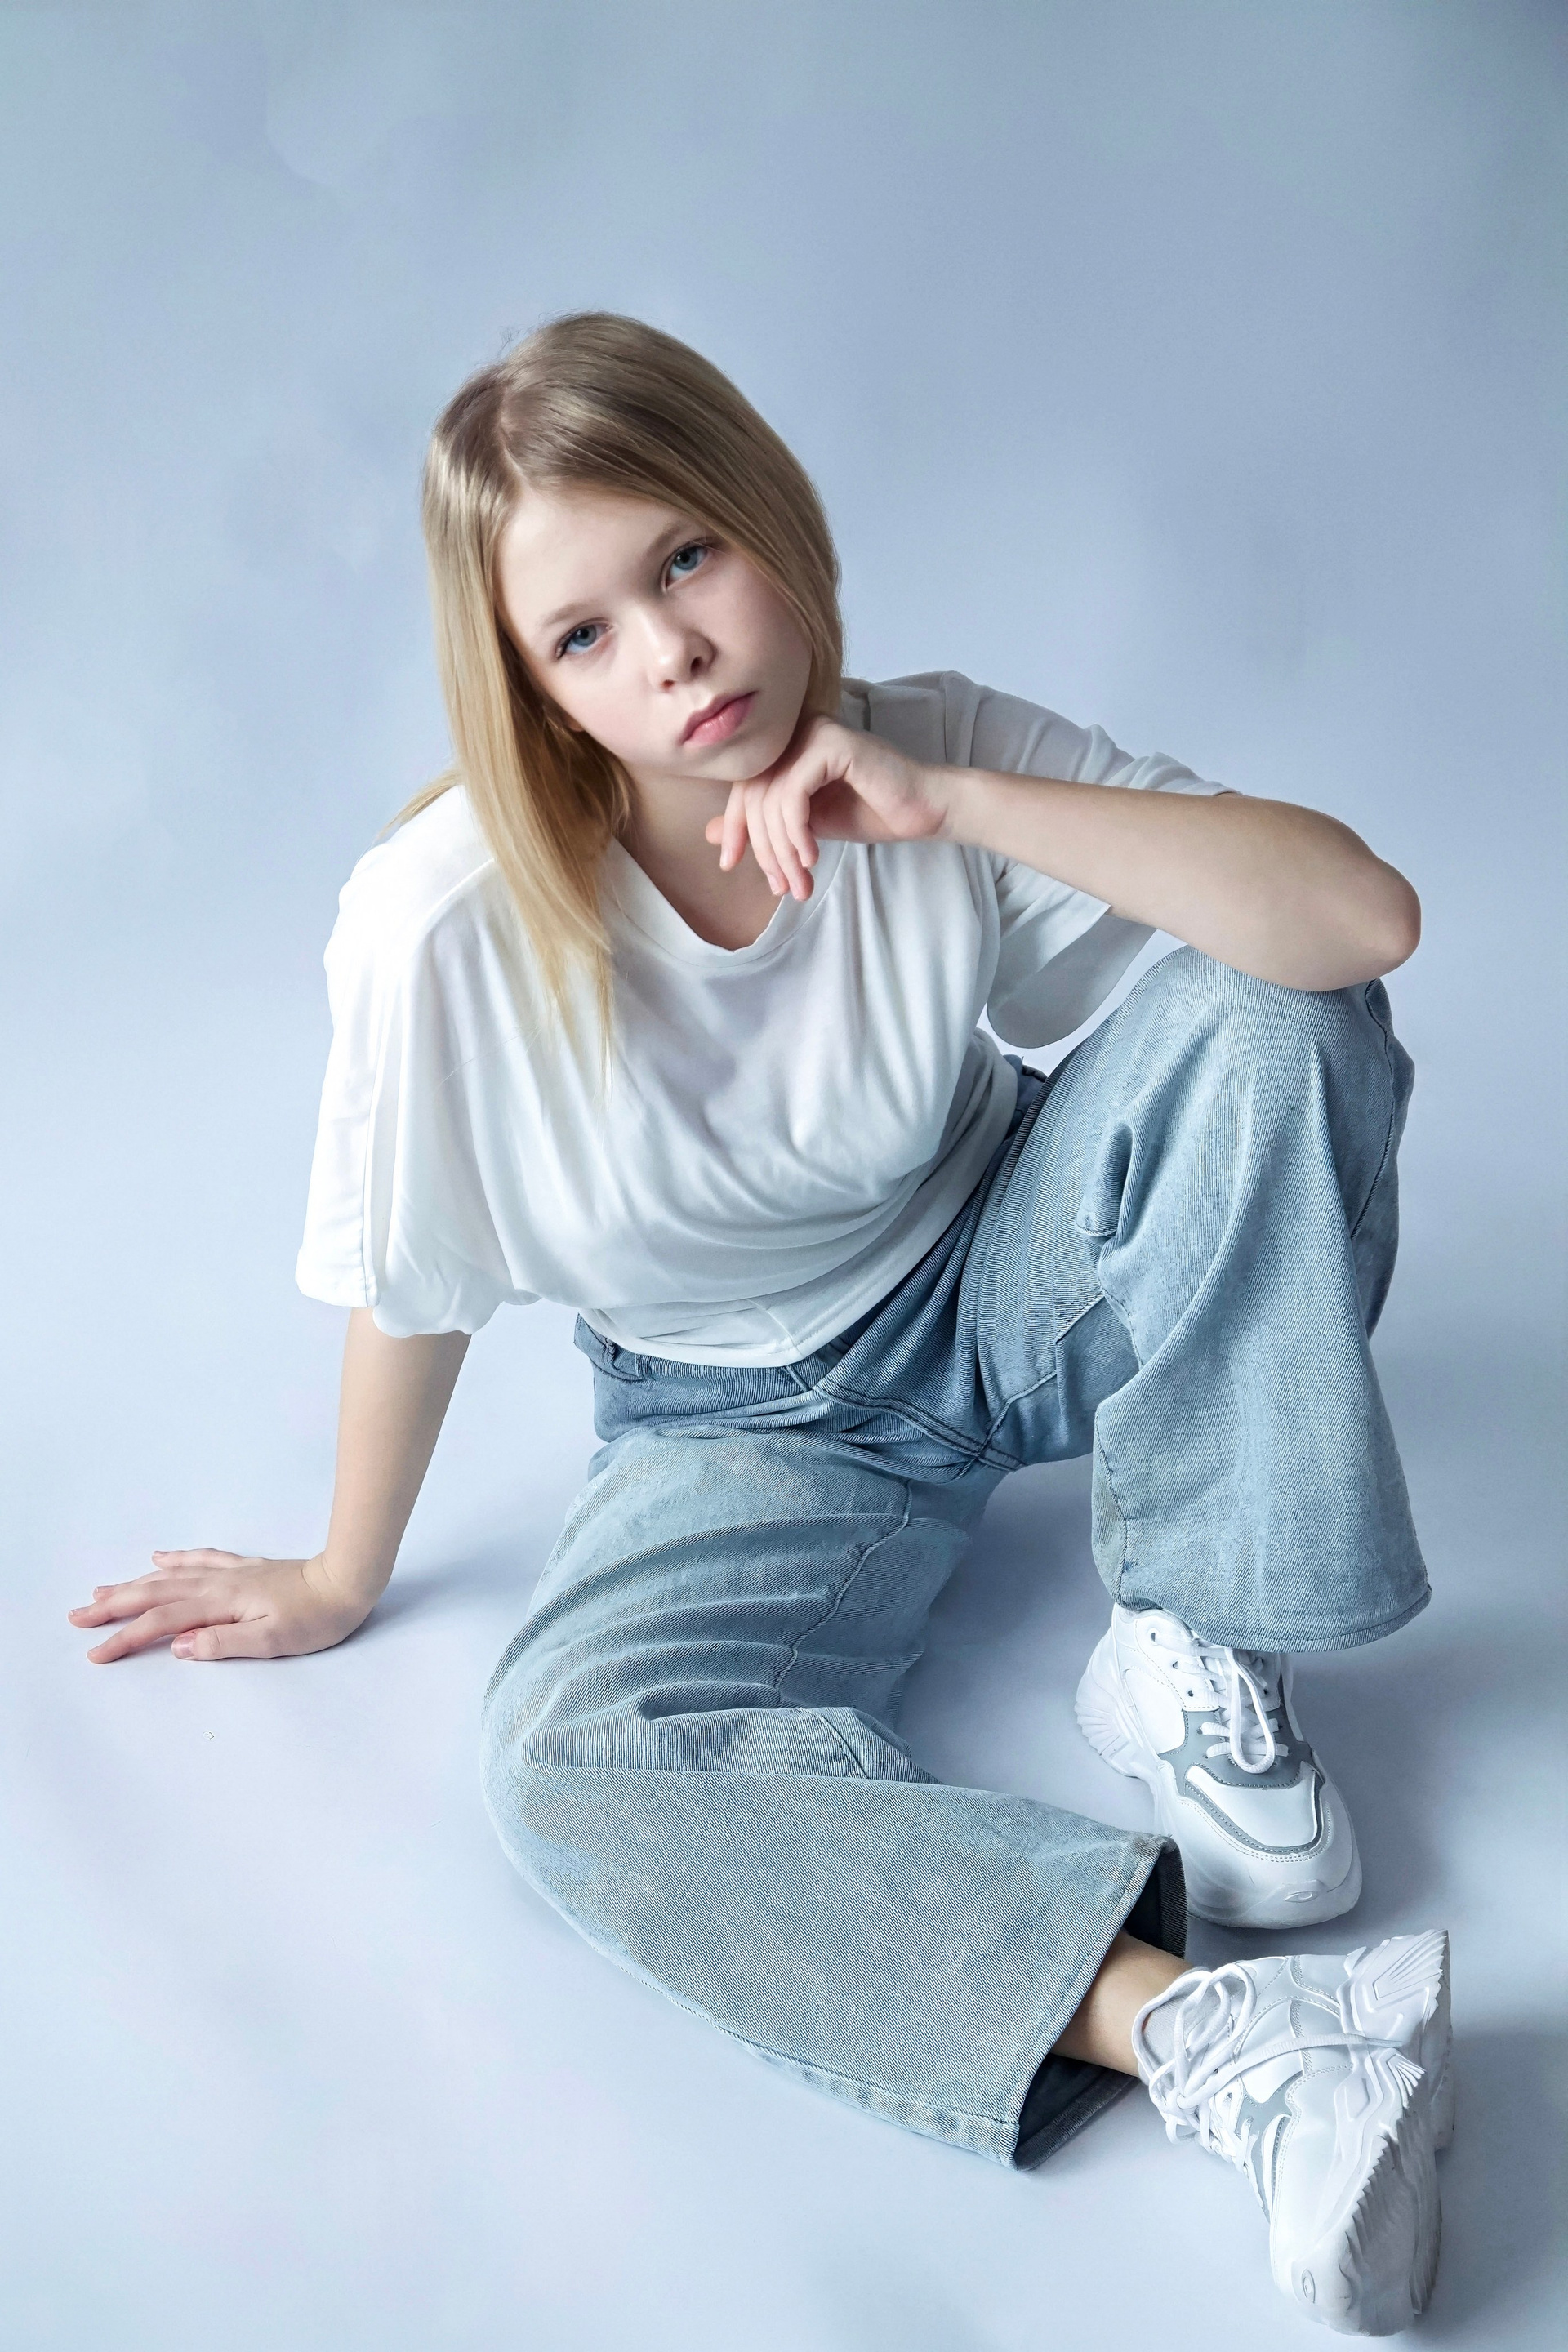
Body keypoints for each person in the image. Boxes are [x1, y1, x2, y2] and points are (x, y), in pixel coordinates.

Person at [69, 312, 1453, 2335]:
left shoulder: (924, 747)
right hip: (742, 1423)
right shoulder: (441, 925)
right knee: (569, 1762)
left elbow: (1356, 926)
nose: (674, 654)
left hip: (1006, 1269)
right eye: (585, 634)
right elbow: (411, 1268)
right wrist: (343, 1571)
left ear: (767, 513)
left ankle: (1196, 1630)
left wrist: (953, 800)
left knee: (1273, 1005)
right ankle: (1238, 2045)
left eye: (688, 558)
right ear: (527, 683)